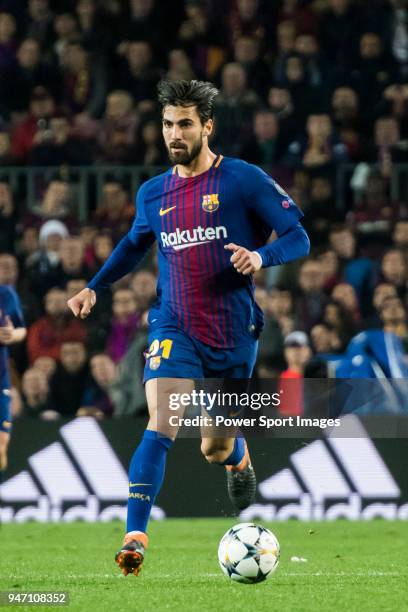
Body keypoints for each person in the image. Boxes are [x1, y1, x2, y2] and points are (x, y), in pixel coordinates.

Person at [67, 79, 310, 577]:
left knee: (213, 445)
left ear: (207, 127)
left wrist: (261, 256)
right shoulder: (154, 192)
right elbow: (134, 245)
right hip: (173, 325)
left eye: (184, 124)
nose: (174, 134)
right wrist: (96, 284)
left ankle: (237, 456)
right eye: (167, 124)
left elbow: (298, 235)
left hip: (232, 333)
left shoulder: (242, 180)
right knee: (162, 421)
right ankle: (135, 535)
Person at [0, 285, 26, 485]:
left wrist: (10, 335)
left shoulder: (5, 294)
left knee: (1, 447)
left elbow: (20, 330)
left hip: (1, 381)